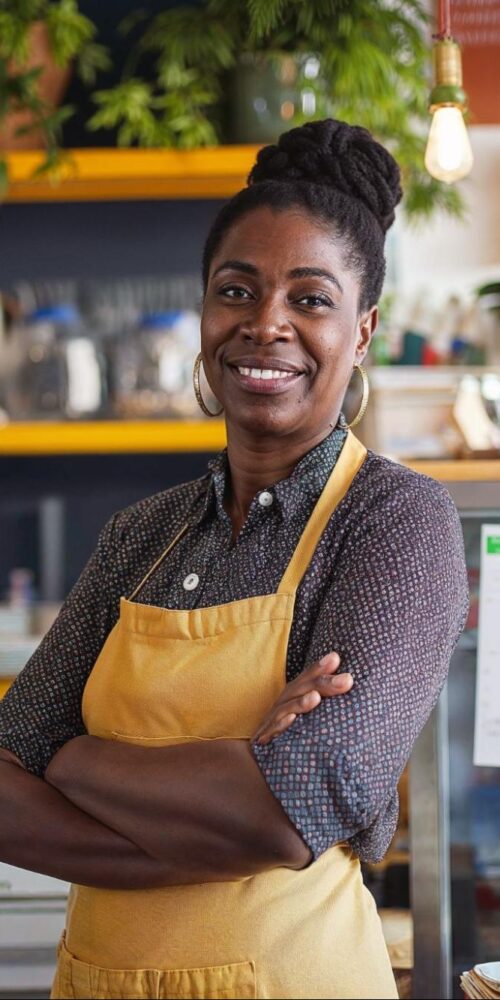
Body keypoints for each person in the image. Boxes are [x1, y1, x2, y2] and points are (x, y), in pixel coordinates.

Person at [0, 119, 468, 1000]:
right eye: (237, 289)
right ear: (205, 308)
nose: (266, 325)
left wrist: (73, 758)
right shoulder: (141, 534)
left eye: (311, 299)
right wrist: (229, 792)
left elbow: (298, 806)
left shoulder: (395, 523)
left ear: (362, 332)